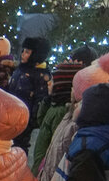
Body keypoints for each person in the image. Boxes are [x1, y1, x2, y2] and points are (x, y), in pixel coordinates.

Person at [30, 44, 98, 172]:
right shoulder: (54, 104)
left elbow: (58, 146)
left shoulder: (65, 112)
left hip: (47, 168)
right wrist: (48, 99)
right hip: (41, 165)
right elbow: (41, 121)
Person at [5, 36, 52, 154]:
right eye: (23, 51)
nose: (23, 54)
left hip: (23, 120)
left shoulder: (41, 76)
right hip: (10, 115)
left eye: (27, 52)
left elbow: (40, 100)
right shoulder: (21, 69)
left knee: (19, 147)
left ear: (36, 54)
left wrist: (30, 122)